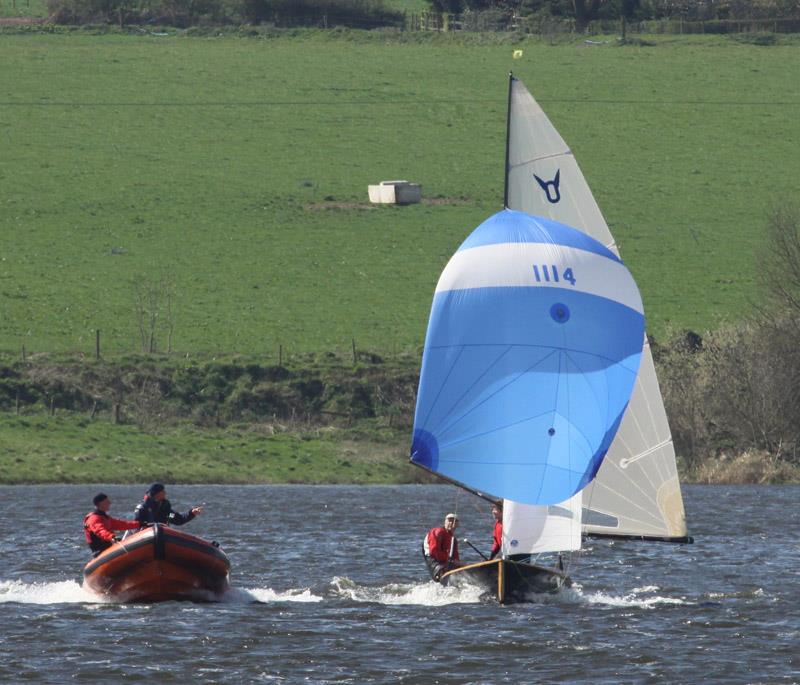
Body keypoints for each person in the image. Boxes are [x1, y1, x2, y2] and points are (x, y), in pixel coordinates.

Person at [134, 483, 203, 528]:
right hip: (145, 537)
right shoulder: (142, 508)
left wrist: (191, 513)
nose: (165, 493)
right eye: (163, 491)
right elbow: (137, 525)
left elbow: (178, 519)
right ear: (157, 494)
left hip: (162, 535)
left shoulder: (167, 511)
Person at [423, 513, 460, 581]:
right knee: (444, 570)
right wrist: (448, 559)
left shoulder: (453, 539)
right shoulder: (437, 532)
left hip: (446, 563)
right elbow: (433, 551)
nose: (451, 523)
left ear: (457, 525)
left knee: (460, 567)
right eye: (449, 521)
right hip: (434, 562)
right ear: (445, 522)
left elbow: (456, 557)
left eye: (454, 521)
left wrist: (458, 564)